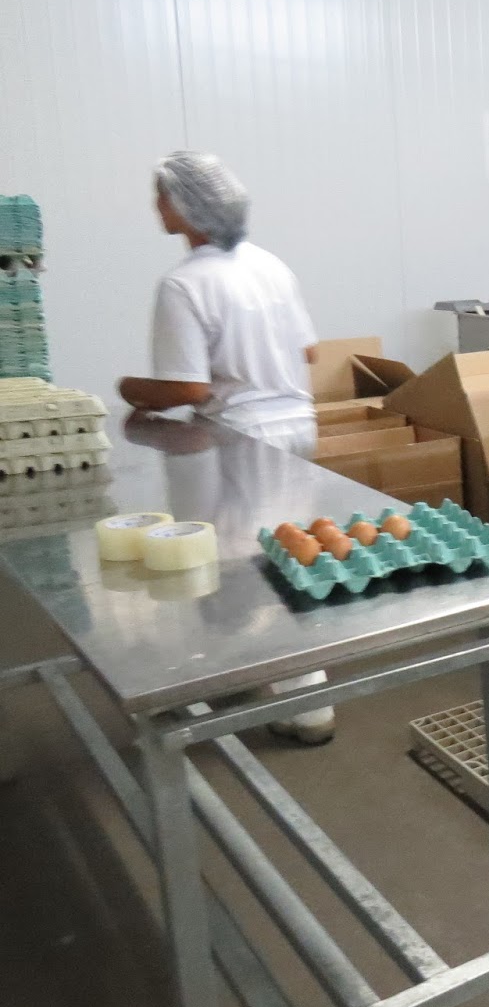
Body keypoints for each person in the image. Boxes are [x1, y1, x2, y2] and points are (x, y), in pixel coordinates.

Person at [118, 151, 335, 745]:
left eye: (162, 195)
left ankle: (294, 697)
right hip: (297, 425)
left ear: (187, 207)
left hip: (241, 438)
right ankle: (271, 681)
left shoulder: (183, 284)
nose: (156, 206)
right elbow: (310, 351)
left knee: (238, 562)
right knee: (285, 552)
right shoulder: (270, 266)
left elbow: (189, 388)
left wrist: (132, 389)